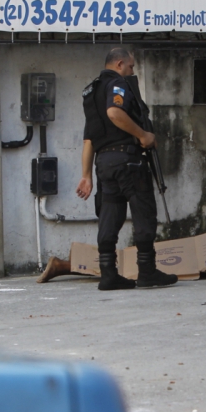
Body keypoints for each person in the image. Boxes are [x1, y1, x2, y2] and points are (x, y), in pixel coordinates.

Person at [76, 48, 178, 291]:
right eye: (131, 67)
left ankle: (109, 274)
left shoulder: (92, 92)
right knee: (144, 212)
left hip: (105, 163)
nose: (132, 71)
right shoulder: (116, 84)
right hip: (128, 160)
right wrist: (143, 135)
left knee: (110, 216)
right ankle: (147, 272)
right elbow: (115, 112)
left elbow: (89, 140)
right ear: (120, 64)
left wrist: (86, 176)